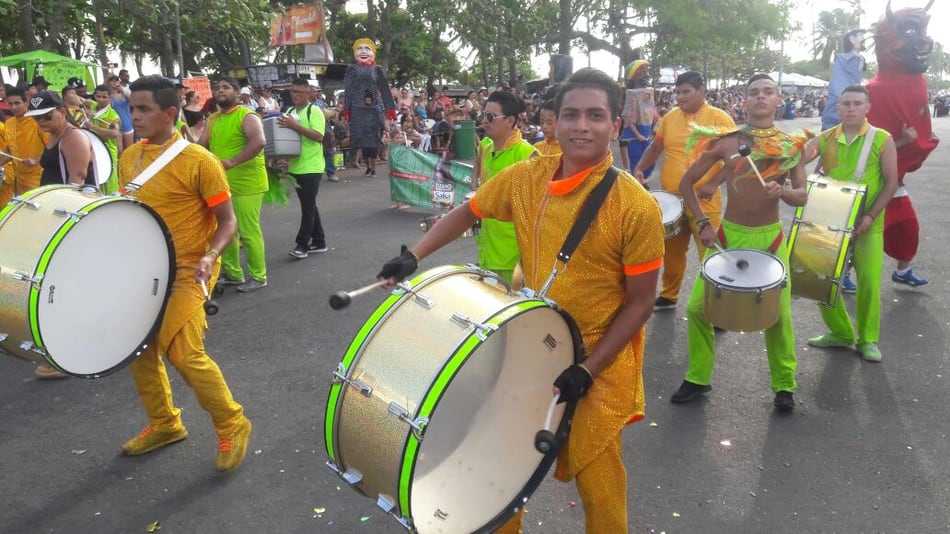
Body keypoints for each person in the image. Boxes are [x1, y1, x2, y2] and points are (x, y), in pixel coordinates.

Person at [376, 67, 664, 534]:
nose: (581, 126)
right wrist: (414, 255)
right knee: (501, 474)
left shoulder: (636, 207)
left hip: (597, 362)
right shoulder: (526, 177)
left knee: (600, 482)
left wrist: (586, 371)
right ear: (553, 120)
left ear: (615, 125)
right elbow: (470, 209)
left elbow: (640, 303)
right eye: (570, 114)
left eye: (595, 115)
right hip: (530, 348)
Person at [118, 75, 251, 471]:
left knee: (184, 352)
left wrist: (211, 256)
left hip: (191, 269)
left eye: (143, 109)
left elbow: (227, 222)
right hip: (144, 269)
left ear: (170, 113)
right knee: (139, 349)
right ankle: (165, 423)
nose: (134, 116)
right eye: (132, 108)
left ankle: (232, 423)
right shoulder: (129, 158)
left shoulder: (199, 161)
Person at [670, 73, 809, 412]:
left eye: (768, 92)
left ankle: (784, 386)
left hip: (770, 239)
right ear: (744, 100)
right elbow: (687, 184)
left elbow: (802, 196)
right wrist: (702, 221)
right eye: (754, 93)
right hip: (728, 236)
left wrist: (784, 191)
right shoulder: (727, 142)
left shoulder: (791, 147)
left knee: (780, 316)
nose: (761, 97)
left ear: (778, 100)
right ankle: (698, 377)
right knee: (697, 308)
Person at [805, 86, 898, 362]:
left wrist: (870, 216)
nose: (851, 108)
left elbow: (891, 182)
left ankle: (868, 339)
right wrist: (789, 153)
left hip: (868, 225)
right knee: (819, 279)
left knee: (868, 283)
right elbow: (798, 157)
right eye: (846, 103)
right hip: (830, 222)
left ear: (868, 107)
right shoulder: (827, 138)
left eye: (857, 103)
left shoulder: (881, 139)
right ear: (838, 107)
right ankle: (841, 332)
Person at [633, 71, 736, 311]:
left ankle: (718, 306)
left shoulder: (720, 118)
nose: (679, 97)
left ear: (702, 90)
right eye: (677, 92)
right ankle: (669, 295)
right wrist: (639, 168)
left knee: (710, 252)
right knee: (672, 252)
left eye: (685, 92)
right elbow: (655, 147)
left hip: (704, 201)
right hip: (672, 199)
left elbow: (736, 160)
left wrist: (714, 184)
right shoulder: (669, 119)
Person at [867, 4, 939, 289]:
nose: (922, 40)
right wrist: (906, 142)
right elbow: (867, 146)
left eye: (922, 31)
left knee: (907, 227)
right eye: (910, 32)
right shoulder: (875, 90)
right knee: (863, 228)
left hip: (895, 179)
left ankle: (902, 270)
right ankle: (843, 272)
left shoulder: (917, 81)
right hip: (873, 179)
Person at [199, 77, 269, 292]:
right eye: (217, 88)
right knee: (224, 229)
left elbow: (259, 142)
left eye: (226, 87)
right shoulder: (213, 118)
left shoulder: (247, 116)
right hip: (221, 183)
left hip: (248, 183)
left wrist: (232, 162)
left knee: (248, 231)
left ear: (237, 93)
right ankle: (233, 274)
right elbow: (201, 146)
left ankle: (259, 276)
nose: (220, 90)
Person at [470, 90, 538, 284]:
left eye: (490, 116)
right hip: (487, 250)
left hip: (514, 259)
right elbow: (477, 163)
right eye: (483, 115)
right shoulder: (485, 145)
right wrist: (474, 183)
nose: (484, 120)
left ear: (510, 121)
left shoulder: (528, 155)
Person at [280, 78, 328, 259]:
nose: (295, 95)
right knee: (309, 205)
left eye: (298, 92)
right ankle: (319, 241)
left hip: (312, 167)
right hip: (295, 166)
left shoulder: (314, 111)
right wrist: (282, 159)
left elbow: (318, 136)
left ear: (308, 93)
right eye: (292, 92)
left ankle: (302, 244)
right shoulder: (290, 111)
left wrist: (295, 125)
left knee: (307, 207)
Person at [343, 38, 397, 176]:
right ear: (355, 52)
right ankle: (367, 166)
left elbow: (385, 89)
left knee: (373, 141)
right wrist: (347, 109)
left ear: (373, 53)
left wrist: (390, 109)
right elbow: (348, 89)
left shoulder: (377, 69)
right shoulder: (351, 69)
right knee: (362, 141)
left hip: (374, 109)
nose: (363, 51)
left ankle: (373, 167)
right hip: (358, 108)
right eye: (359, 48)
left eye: (367, 48)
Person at [25, 91, 94, 187]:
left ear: (62, 112)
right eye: (36, 117)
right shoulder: (54, 134)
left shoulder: (74, 137)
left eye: (47, 116)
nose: (41, 121)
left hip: (68, 199)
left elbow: (77, 180)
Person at [0, 87, 47, 206]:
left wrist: (35, 159)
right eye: (10, 104)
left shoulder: (37, 121)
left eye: (17, 103)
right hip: (18, 181)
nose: (14, 107)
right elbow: (9, 152)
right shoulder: (9, 123)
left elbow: (52, 148)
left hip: (38, 179)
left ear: (26, 102)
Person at [83, 84, 123, 194]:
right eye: (98, 96)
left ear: (110, 98)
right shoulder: (92, 106)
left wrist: (92, 127)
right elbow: (77, 99)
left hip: (108, 151)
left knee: (109, 181)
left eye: (104, 97)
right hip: (92, 150)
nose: (101, 100)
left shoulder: (113, 116)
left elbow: (114, 133)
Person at [620, 58, 655, 175]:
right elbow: (629, 119)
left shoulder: (650, 90)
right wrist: (638, 135)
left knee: (649, 162)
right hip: (633, 133)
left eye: (646, 68)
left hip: (646, 131)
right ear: (633, 75)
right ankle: (638, 185)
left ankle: (642, 183)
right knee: (637, 161)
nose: (645, 71)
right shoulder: (631, 93)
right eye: (641, 69)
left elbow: (651, 112)